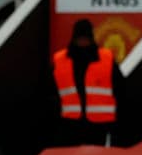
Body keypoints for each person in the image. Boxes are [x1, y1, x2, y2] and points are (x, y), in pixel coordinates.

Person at [48, 18, 125, 147]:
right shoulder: (59, 60)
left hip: (99, 125)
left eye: (85, 38)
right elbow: (50, 90)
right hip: (70, 124)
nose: (83, 42)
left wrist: (117, 124)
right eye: (80, 38)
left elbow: (121, 89)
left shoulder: (106, 59)